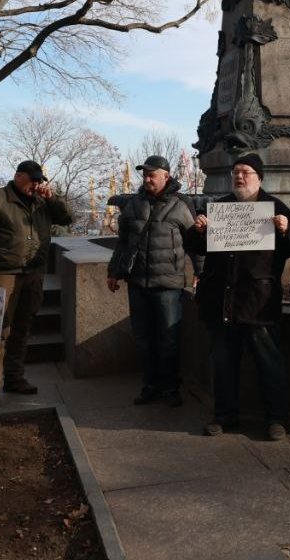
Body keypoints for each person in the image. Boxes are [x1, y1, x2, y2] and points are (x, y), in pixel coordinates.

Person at [191, 154, 290, 441]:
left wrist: (286, 229)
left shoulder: (276, 207)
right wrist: (198, 231)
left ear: (259, 177)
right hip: (222, 300)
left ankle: (276, 419)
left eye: (246, 172)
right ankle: (224, 415)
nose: (239, 177)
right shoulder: (221, 207)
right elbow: (198, 247)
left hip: (258, 302)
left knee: (269, 363)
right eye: (235, 173)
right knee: (224, 363)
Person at [0, 160, 74, 408]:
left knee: (22, 328)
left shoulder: (42, 202)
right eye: (32, 179)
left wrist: (52, 198)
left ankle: (14, 378)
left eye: (39, 180)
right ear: (18, 176)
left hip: (33, 274)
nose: (36, 184)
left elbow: (67, 218)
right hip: (3, 274)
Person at [108, 155, 203, 407]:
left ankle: (171, 388)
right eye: (145, 174)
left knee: (169, 339)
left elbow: (195, 244)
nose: (147, 178)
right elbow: (123, 243)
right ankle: (150, 386)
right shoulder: (133, 204)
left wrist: (200, 273)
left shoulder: (181, 205)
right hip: (138, 282)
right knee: (143, 338)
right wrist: (114, 271)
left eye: (152, 174)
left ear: (166, 176)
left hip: (168, 284)